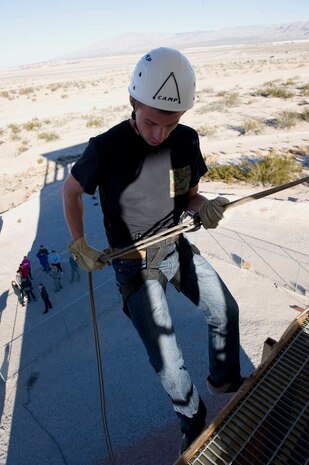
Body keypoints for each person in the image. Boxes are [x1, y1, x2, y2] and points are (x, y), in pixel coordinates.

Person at [62, 47, 244, 453]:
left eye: (171, 122)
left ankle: (224, 379)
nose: (159, 133)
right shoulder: (106, 147)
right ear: (132, 102)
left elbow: (191, 198)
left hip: (174, 244)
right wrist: (80, 244)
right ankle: (192, 418)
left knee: (225, 309)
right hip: (132, 263)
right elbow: (71, 190)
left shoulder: (186, 140)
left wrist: (205, 207)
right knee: (167, 355)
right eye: (150, 122)